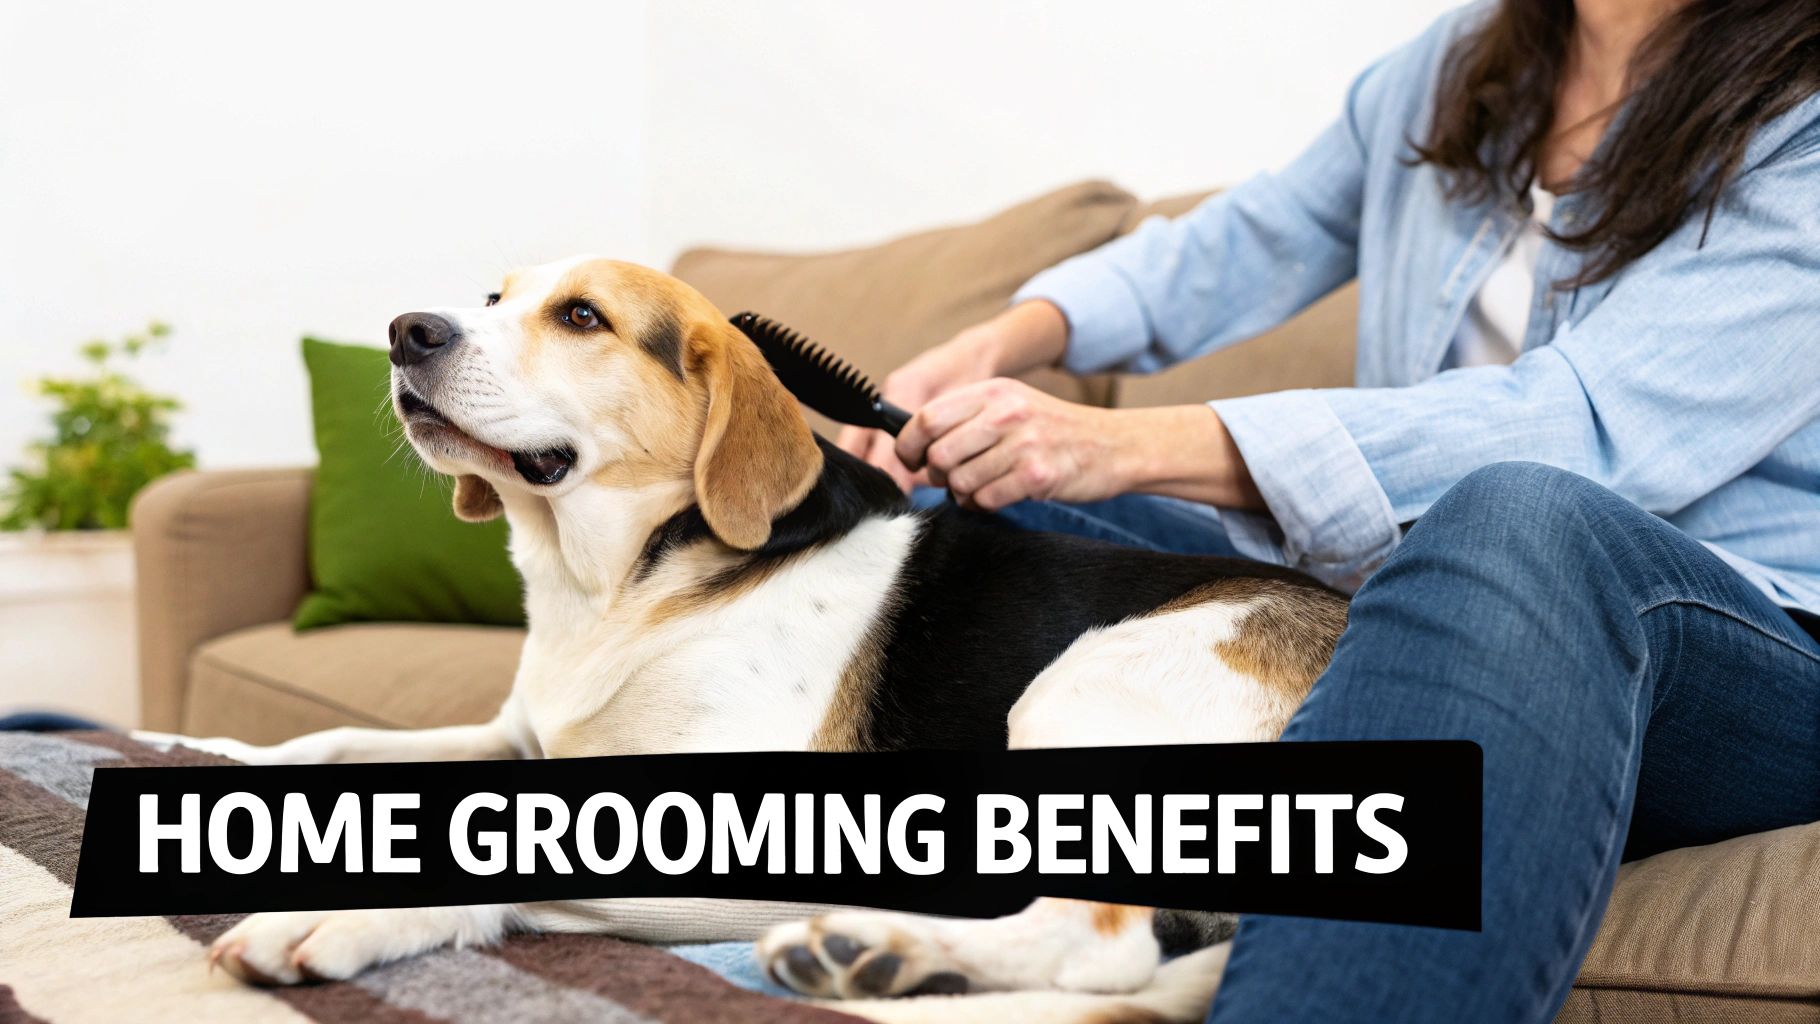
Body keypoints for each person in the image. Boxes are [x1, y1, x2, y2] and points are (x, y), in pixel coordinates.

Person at [838, 0, 1820, 1020]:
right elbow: (1256, 235)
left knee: (1514, 515)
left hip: (1736, 660)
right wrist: (997, 344)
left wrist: (1120, 442)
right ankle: (942, 909)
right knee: (961, 505)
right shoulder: (1459, 61)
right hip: (1412, 609)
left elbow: (1585, 425)